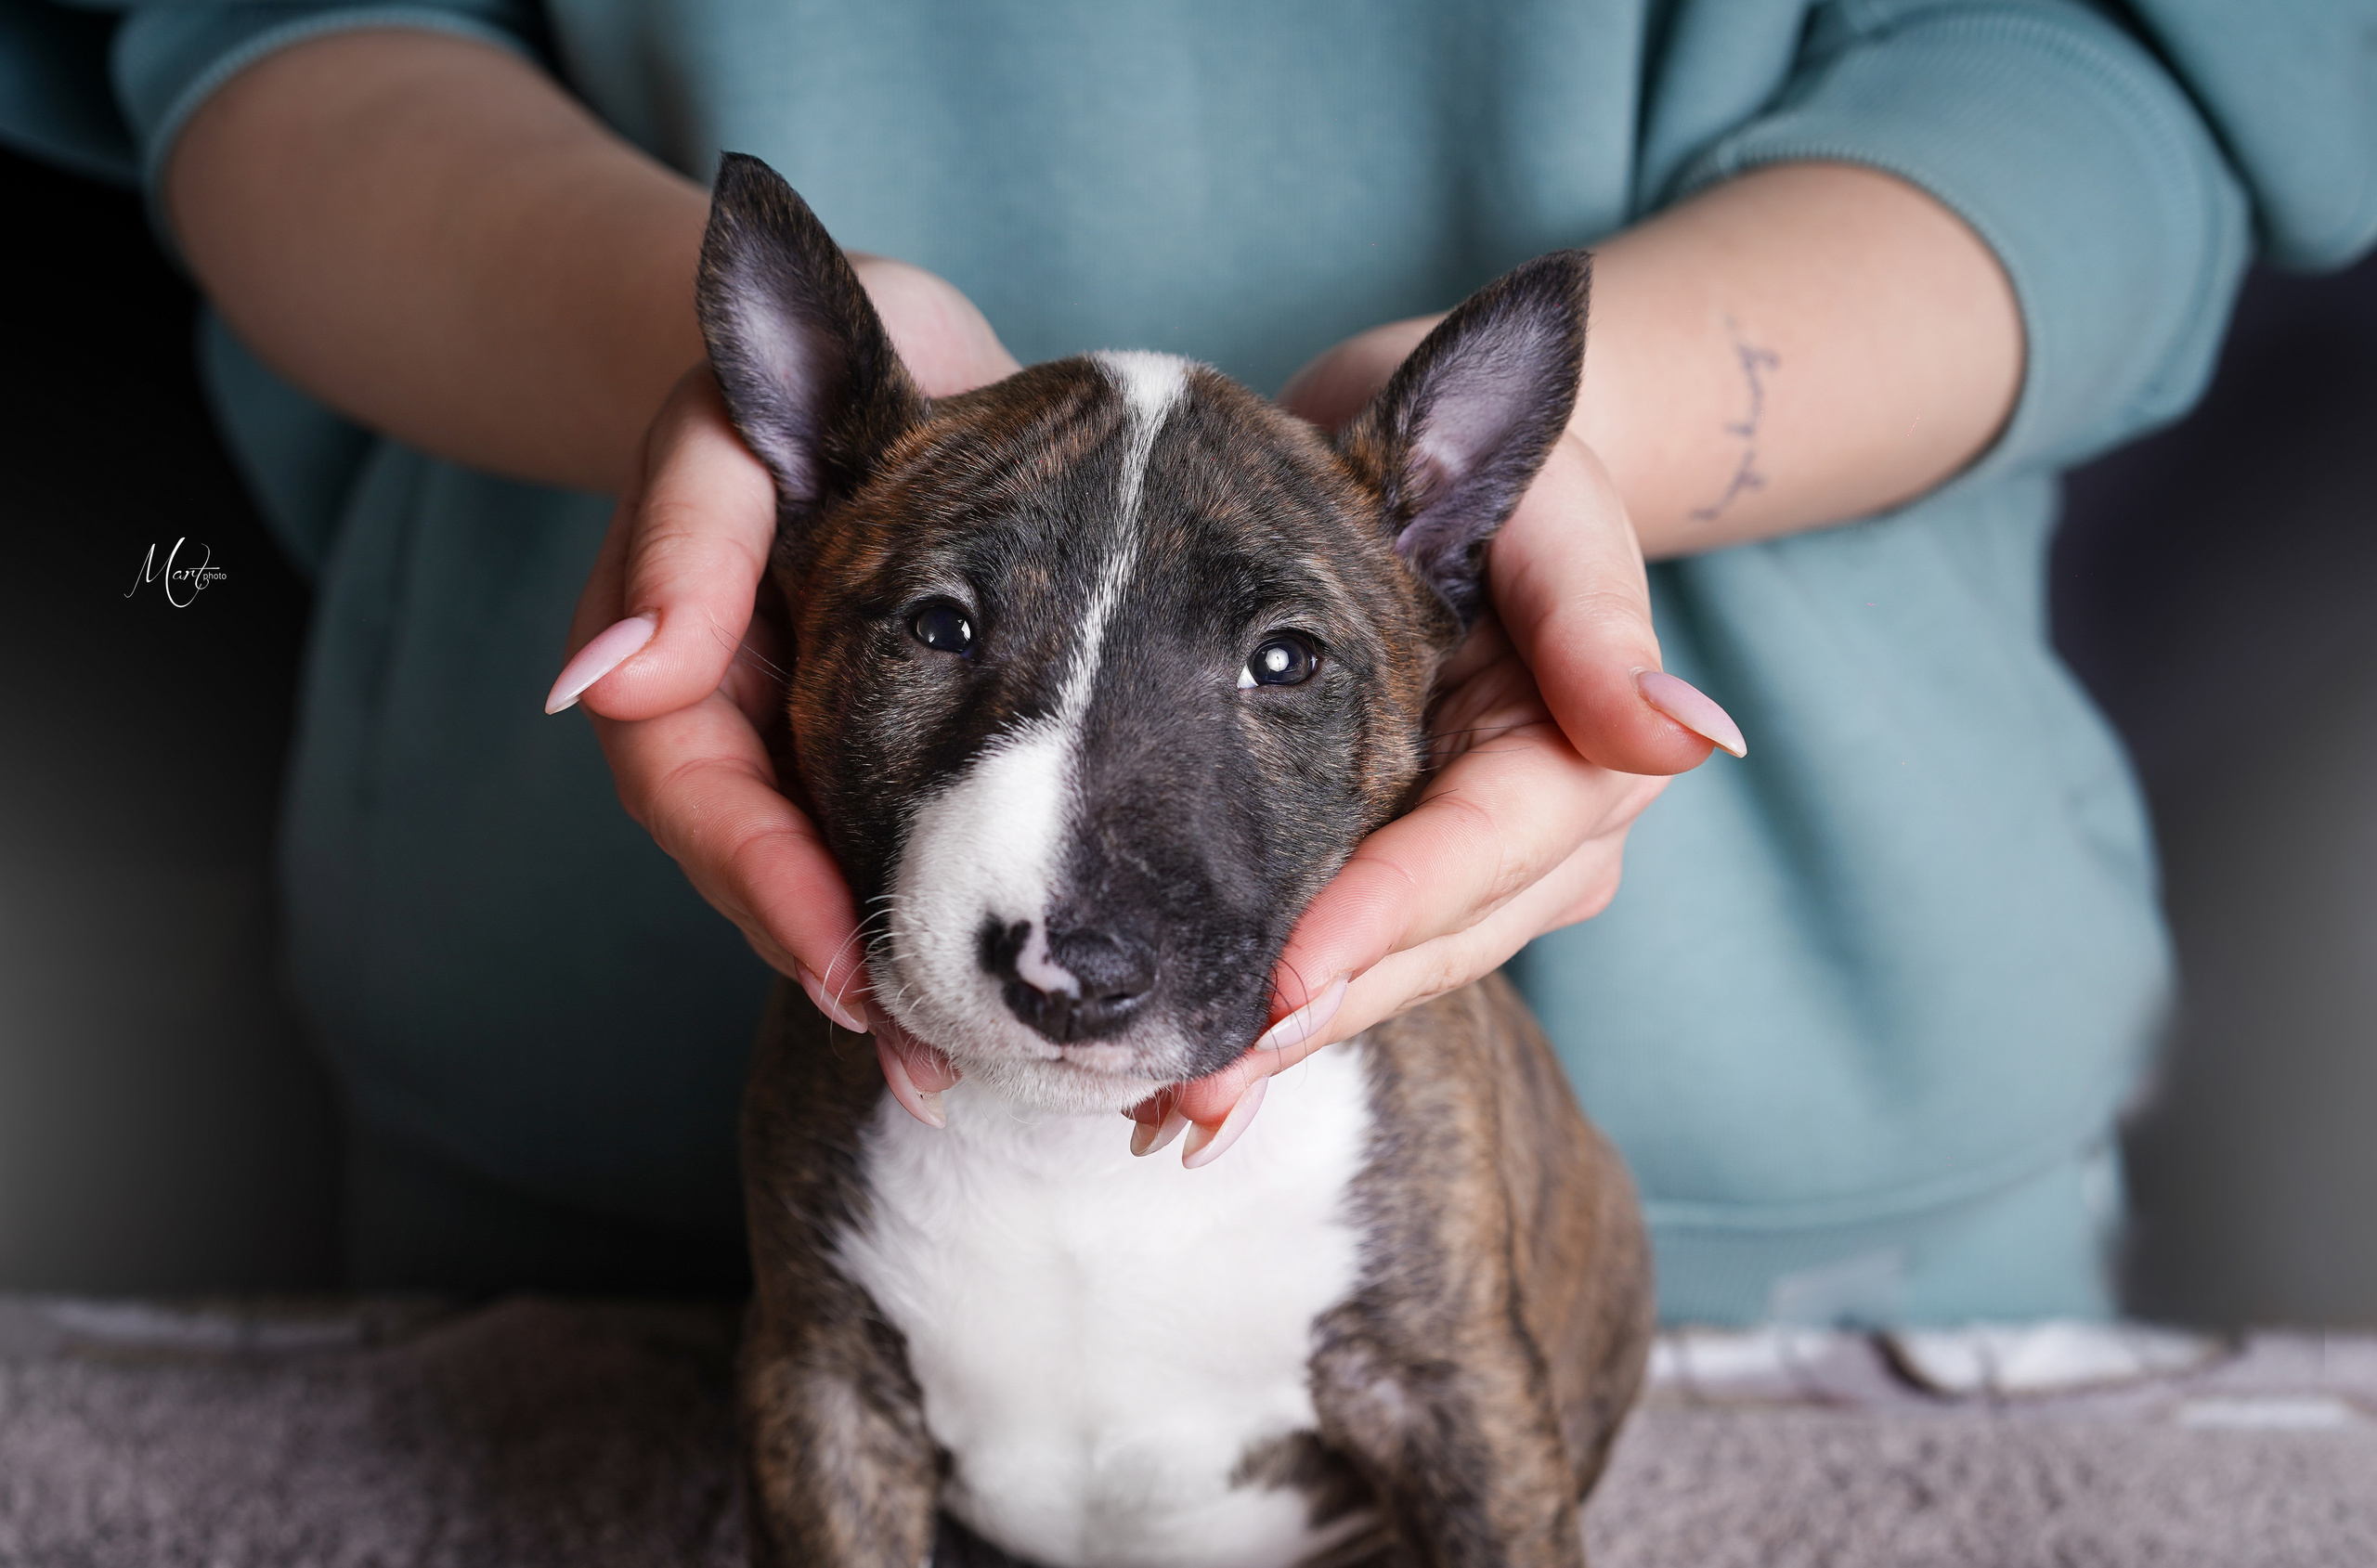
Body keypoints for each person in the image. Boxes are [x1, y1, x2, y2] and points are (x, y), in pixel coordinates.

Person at [7, 0, 2370, 1316]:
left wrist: (1579, 450)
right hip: (617, 1153)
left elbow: (2137, 75)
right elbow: (260, 35)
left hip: (1794, 1179)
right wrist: (750, 389)